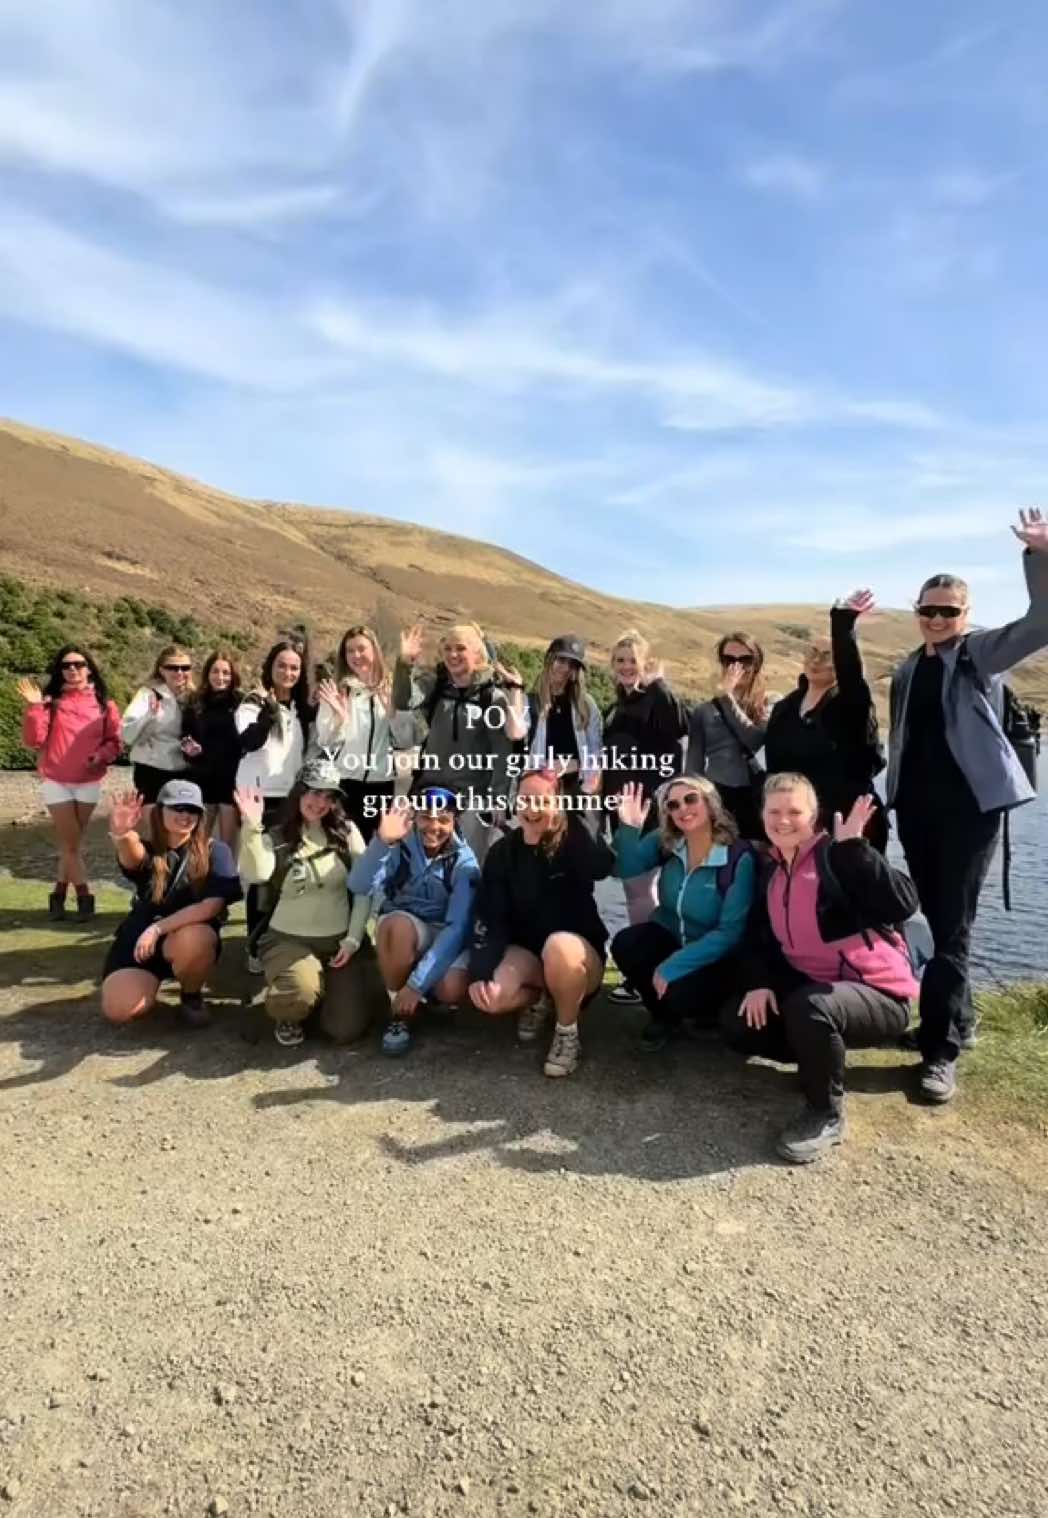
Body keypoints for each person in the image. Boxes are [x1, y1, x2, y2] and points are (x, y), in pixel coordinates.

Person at [885, 508, 1048, 1105]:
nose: (935, 619)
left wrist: (1039, 556)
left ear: (966, 615)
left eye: (947, 611)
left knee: (953, 927)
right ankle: (961, 1019)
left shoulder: (977, 655)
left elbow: (1042, 622)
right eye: (927, 610)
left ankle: (939, 1054)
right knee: (939, 918)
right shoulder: (909, 666)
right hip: (918, 811)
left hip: (969, 813)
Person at [721, 774, 920, 1164]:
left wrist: (856, 851)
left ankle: (825, 1112)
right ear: (762, 815)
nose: (783, 820)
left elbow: (904, 904)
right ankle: (821, 1060)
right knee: (737, 1021)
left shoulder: (837, 858)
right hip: (816, 990)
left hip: (877, 994)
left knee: (810, 1007)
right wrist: (760, 983)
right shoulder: (774, 870)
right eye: (774, 811)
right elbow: (760, 938)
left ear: (813, 817)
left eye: (794, 811)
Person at [468, 769, 615, 1078]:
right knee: (492, 999)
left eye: (541, 800)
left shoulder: (574, 838)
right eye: (525, 800)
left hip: (576, 958)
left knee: (558, 946)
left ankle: (567, 1032)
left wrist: (583, 806)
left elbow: (602, 865)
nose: (532, 808)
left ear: (558, 803)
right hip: (529, 957)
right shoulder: (502, 851)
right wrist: (481, 972)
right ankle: (540, 998)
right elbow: (489, 916)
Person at [235, 758, 384, 1048]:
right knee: (296, 995)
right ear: (299, 792)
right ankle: (290, 1008)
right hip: (288, 940)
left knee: (346, 1030)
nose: (320, 802)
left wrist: (353, 939)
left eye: (329, 796)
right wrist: (251, 827)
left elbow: (365, 886)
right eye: (315, 792)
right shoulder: (276, 835)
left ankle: (319, 992)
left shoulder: (347, 831)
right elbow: (257, 873)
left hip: (340, 942)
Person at [611, 778, 755, 1051]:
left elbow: (731, 932)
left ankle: (705, 1013)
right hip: (672, 937)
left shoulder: (737, 857)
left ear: (710, 803)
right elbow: (627, 870)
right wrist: (629, 828)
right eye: (673, 804)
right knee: (626, 943)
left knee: (679, 992)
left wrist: (673, 964)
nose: (682, 809)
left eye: (691, 799)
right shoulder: (669, 841)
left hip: (716, 958)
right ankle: (663, 1017)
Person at [348, 786, 480, 1056]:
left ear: (455, 820)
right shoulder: (400, 844)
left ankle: (418, 994)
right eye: (426, 817)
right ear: (415, 817)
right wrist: (382, 842)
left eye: (443, 819)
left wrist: (417, 984)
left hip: (442, 931)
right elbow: (359, 885)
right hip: (405, 923)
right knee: (397, 928)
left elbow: (457, 928)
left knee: (452, 988)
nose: (434, 827)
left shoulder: (465, 861)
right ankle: (400, 1014)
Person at [101, 780, 242, 1028]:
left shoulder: (216, 851)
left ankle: (190, 995)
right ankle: (146, 982)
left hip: (182, 936)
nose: (185, 815)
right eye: (177, 808)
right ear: (160, 811)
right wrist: (122, 835)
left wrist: (157, 929)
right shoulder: (148, 848)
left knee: (197, 937)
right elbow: (132, 856)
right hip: (141, 940)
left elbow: (211, 907)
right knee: (119, 1010)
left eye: (192, 809)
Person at [391, 621, 529, 862]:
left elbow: (501, 754)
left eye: (461, 648)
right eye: (448, 648)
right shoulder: (435, 686)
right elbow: (403, 700)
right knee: (426, 866)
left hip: (472, 803)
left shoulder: (492, 698)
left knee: (469, 867)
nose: (453, 655)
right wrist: (404, 664)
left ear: (477, 653)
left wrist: (499, 800)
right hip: (431, 794)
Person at [601, 629, 687, 1004]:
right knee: (635, 891)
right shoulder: (615, 706)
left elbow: (679, 727)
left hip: (651, 814)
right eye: (619, 660)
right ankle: (643, 968)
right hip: (623, 813)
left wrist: (661, 685)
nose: (625, 666)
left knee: (648, 891)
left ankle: (646, 971)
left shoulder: (657, 698)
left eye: (632, 660)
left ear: (645, 663)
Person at [763, 591, 888, 851]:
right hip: (794, 826)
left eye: (827, 654)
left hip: (845, 826)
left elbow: (851, 675)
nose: (817, 660)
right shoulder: (785, 708)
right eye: (812, 652)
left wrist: (842, 624)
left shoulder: (851, 705)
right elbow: (774, 771)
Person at [18, 645, 123, 920]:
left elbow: (115, 742)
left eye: (78, 664)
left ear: (89, 668)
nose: (73, 669)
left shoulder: (104, 703)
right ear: (60, 671)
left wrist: (99, 756)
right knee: (72, 845)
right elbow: (33, 741)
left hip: (89, 781)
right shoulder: (50, 702)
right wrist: (34, 707)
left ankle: (58, 894)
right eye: (66, 665)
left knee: (70, 845)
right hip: (56, 780)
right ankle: (85, 898)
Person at [235, 638, 316, 963]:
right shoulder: (252, 703)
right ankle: (255, 946)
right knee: (260, 874)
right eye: (281, 665)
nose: (288, 672)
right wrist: (268, 712)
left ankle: (280, 939)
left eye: (294, 667)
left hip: (290, 800)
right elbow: (248, 741)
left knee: (286, 874)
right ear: (270, 667)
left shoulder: (300, 709)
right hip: (259, 800)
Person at [313, 624, 397, 842]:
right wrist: (341, 718)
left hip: (381, 784)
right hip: (345, 783)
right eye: (350, 651)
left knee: (377, 848)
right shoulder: (338, 690)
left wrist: (393, 714)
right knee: (343, 846)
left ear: (374, 651)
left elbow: (405, 739)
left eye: (361, 649)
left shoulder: (391, 688)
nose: (356, 655)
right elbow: (325, 740)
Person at [687, 633, 769, 840]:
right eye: (729, 660)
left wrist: (727, 698)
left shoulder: (772, 704)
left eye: (745, 660)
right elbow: (693, 767)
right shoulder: (703, 711)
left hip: (759, 798)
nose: (737, 666)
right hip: (718, 799)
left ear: (757, 664)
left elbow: (756, 741)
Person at [526, 635, 603, 815]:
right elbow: (519, 750)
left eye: (572, 664)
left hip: (577, 792)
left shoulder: (586, 704)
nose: (566, 668)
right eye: (561, 660)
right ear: (549, 659)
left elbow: (596, 752)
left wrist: (575, 764)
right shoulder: (530, 701)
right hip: (541, 788)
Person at [180, 648, 243, 847]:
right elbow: (185, 734)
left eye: (226, 673)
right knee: (198, 842)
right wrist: (189, 749)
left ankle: (227, 878)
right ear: (208, 673)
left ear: (233, 676)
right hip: (202, 778)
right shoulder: (195, 702)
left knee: (228, 844)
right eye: (215, 671)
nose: (220, 677)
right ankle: (198, 877)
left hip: (230, 781)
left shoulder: (240, 702)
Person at [121, 644, 192, 816]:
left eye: (184, 668)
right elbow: (126, 733)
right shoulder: (148, 694)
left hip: (184, 768)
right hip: (151, 767)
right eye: (172, 668)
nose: (179, 672)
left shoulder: (194, 697)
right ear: (161, 670)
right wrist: (150, 715)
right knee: (152, 821)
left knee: (178, 821)